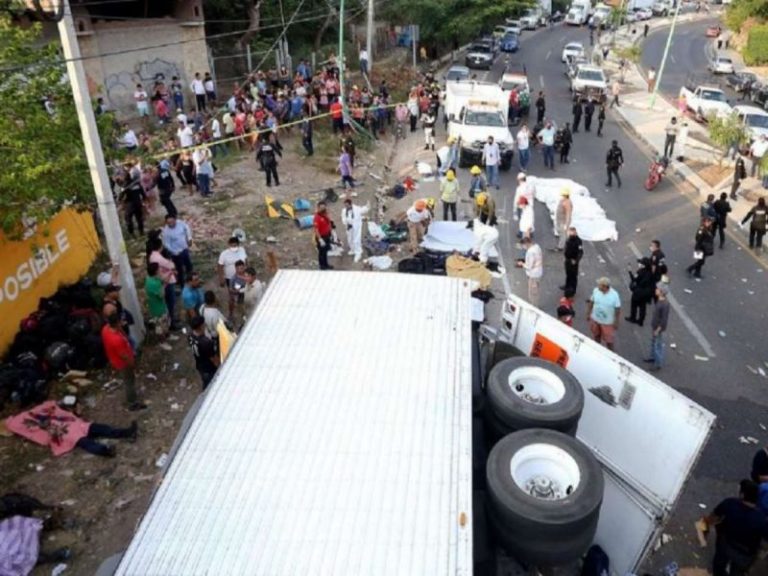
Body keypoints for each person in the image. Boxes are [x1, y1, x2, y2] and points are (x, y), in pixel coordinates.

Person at [5, 401, 137, 457]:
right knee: (83, 441)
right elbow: (19, 426)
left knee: (97, 428)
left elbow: (50, 406)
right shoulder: (28, 424)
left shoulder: (36, 412)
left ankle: (126, 433)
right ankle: (105, 451)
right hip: (61, 433)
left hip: (69, 425)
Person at [701, 479, 768, 576]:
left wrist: (704, 531)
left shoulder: (730, 504)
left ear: (742, 494)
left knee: (719, 568)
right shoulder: (761, 519)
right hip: (745, 554)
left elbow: (711, 519)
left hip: (725, 546)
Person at [101, 312, 145, 411]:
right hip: (123, 364)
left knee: (128, 380)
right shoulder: (116, 340)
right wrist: (133, 365)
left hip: (115, 359)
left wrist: (125, 337)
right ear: (117, 323)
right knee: (129, 381)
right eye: (121, 321)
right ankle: (132, 403)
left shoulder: (106, 329)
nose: (123, 322)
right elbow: (124, 357)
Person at [586, 277, 621, 351]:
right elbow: (591, 302)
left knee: (609, 341)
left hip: (607, 323)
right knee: (596, 336)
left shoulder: (614, 295)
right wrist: (588, 313)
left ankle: (611, 355)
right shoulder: (596, 290)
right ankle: (597, 350)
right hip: (595, 320)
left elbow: (617, 308)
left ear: (605, 286)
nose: (598, 286)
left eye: (600, 285)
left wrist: (616, 321)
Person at [188, 315, 220, 390]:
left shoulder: (190, 336)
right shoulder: (206, 343)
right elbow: (214, 359)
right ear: (201, 326)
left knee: (205, 381)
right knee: (210, 385)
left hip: (199, 365)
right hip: (209, 368)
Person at [643, 284, 670, 371]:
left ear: (662, 292)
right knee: (653, 342)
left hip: (658, 328)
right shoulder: (659, 300)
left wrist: (658, 330)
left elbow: (664, 320)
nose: (656, 290)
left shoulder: (665, 304)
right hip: (655, 326)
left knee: (657, 346)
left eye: (657, 289)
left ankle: (658, 363)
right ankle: (652, 357)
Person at [162, 214, 193, 287]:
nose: (171, 224)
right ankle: (181, 284)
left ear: (175, 220)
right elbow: (167, 244)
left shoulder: (180, 223)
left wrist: (189, 238)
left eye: (172, 222)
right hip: (176, 253)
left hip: (184, 248)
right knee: (179, 269)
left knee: (188, 265)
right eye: (168, 223)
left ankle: (191, 279)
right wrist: (175, 252)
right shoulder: (166, 232)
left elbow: (187, 228)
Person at [626, 258, 655, 327]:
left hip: (638, 292)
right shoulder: (650, 272)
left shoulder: (640, 272)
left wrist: (630, 271)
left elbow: (634, 279)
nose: (639, 264)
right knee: (642, 307)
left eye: (640, 263)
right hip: (646, 293)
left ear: (643, 265)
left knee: (634, 305)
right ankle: (641, 321)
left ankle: (633, 318)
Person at [341, 196, 370, 262]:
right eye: (345, 205)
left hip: (356, 227)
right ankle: (353, 249)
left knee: (356, 240)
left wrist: (367, 206)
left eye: (347, 205)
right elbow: (343, 218)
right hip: (349, 227)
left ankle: (358, 253)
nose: (346, 207)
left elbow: (364, 210)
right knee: (350, 239)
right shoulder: (344, 210)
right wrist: (346, 222)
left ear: (350, 204)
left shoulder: (357, 209)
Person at [144, 262, 169, 339]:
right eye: (158, 269)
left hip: (161, 306)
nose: (160, 270)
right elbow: (161, 295)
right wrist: (164, 285)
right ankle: (162, 342)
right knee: (159, 326)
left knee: (165, 322)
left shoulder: (151, 278)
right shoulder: (153, 283)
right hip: (157, 308)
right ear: (155, 271)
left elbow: (161, 281)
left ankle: (167, 335)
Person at [518, 236, 543, 307]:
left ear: (526, 244)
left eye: (523, 246)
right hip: (539, 271)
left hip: (533, 274)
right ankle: (535, 304)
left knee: (532, 292)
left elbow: (529, 266)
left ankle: (534, 306)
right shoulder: (537, 247)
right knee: (536, 289)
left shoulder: (530, 252)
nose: (523, 248)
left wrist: (522, 264)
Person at [313, 201, 335, 270]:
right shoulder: (317, 217)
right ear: (318, 208)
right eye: (321, 207)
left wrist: (331, 233)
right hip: (321, 237)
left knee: (325, 251)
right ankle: (322, 266)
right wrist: (320, 239)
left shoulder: (325, 214)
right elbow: (316, 230)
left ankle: (326, 265)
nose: (323, 209)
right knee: (321, 252)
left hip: (327, 235)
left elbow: (329, 223)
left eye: (324, 207)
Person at [562, 227, 583, 293]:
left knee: (573, 275)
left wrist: (576, 260)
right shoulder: (569, 239)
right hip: (568, 259)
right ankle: (567, 285)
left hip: (573, 260)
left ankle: (573, 289)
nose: (570, 234)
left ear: (575, 232)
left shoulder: (578, 241)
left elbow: (580, 252)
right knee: (568, 274)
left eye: (571, 233)